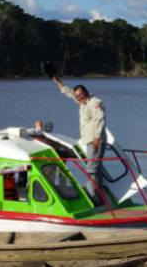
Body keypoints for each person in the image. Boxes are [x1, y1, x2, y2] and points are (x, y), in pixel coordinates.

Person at [53, 74, 107, 207]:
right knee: (95, 171)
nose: (79, 98)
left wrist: (97, 138)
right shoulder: (83, 101)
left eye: (81, 95)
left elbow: (100, 119)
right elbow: (72, 94)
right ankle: (99, 199)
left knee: (92, 171)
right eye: (78, 96)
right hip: (89, 141)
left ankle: (93, 200)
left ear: (87, 92)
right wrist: (59, 83)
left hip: (95, 141)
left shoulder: (94, 102)